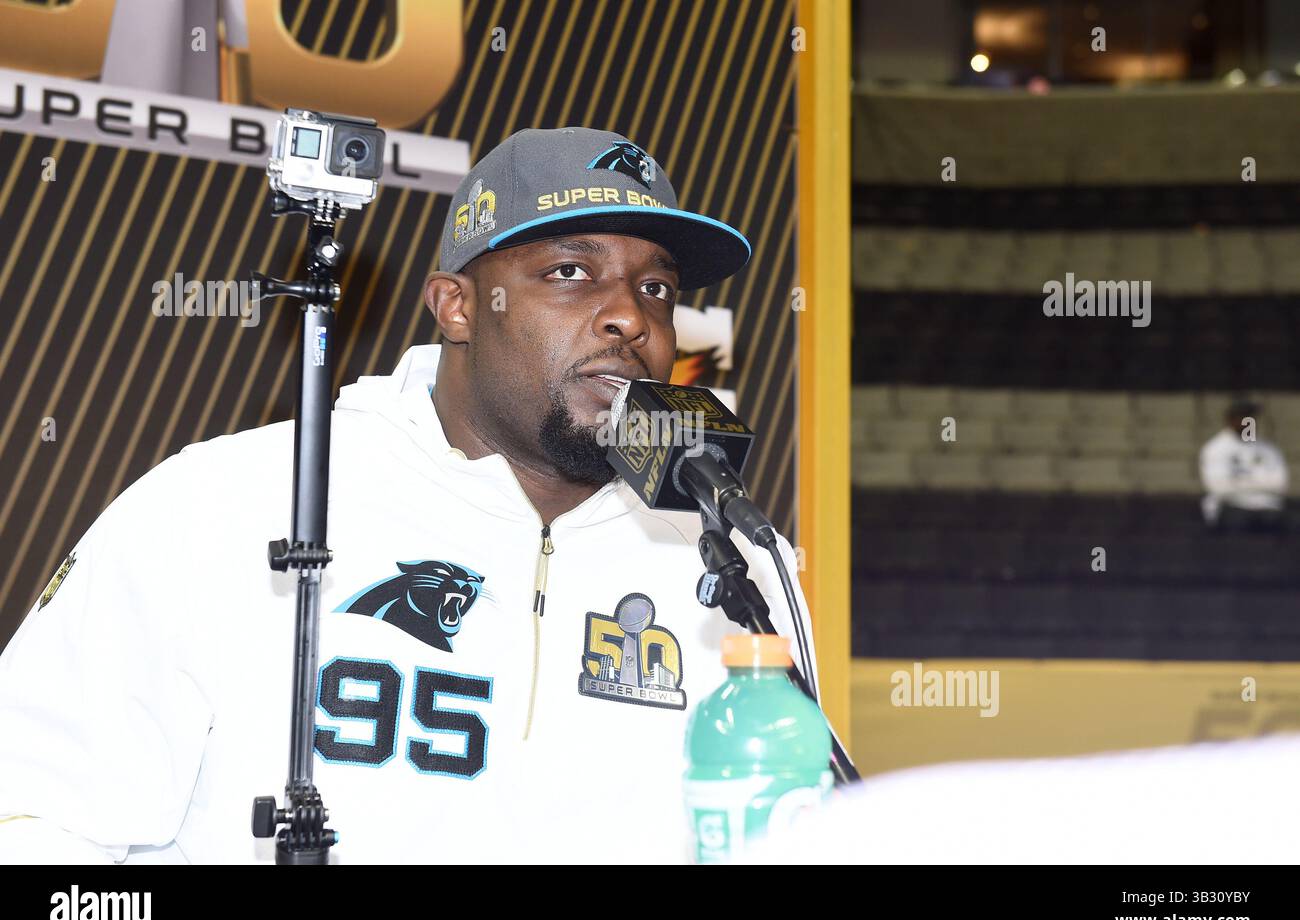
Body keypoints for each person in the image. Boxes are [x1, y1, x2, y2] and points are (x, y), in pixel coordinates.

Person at [0, 127, 815, 864]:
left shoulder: (733, 563)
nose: (628, 318)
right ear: (457, 306)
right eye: (571, 271)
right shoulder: (225, 505)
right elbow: (30, 822)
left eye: (658, 290)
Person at [1198, 398, 1289, 532]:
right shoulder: (1215, 448)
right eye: (1243, 416)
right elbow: (1219, 487)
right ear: (1229, 419)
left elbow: (1280, 484)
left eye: (1251, 417)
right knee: (1238, 522)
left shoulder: (1268, 449)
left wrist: (1239, 483)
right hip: (1231, 508)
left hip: (1267, 508)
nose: (1248, 421)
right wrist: (1262, 483)